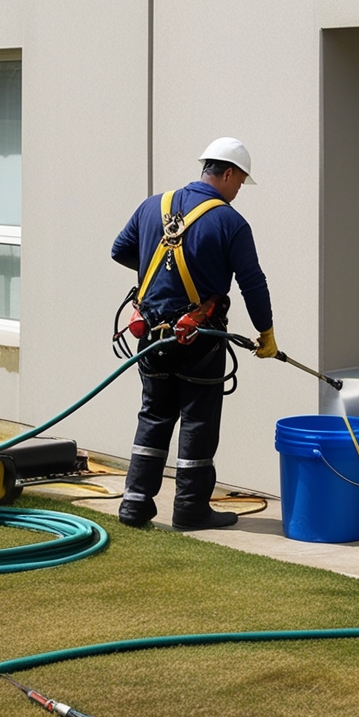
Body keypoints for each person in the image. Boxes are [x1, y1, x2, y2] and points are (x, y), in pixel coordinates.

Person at [111, 137, 277, 531]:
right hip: (199, 336)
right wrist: (266, 333)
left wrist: (159, 271)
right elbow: (253, 283)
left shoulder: (155, 205)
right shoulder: (230, 222)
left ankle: (134, 504)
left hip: (151, 333)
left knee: (154, 414)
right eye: (240, 182)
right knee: (198, 420)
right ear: (228, 173)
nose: (239, 191)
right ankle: (189, 508)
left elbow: (120, 250)